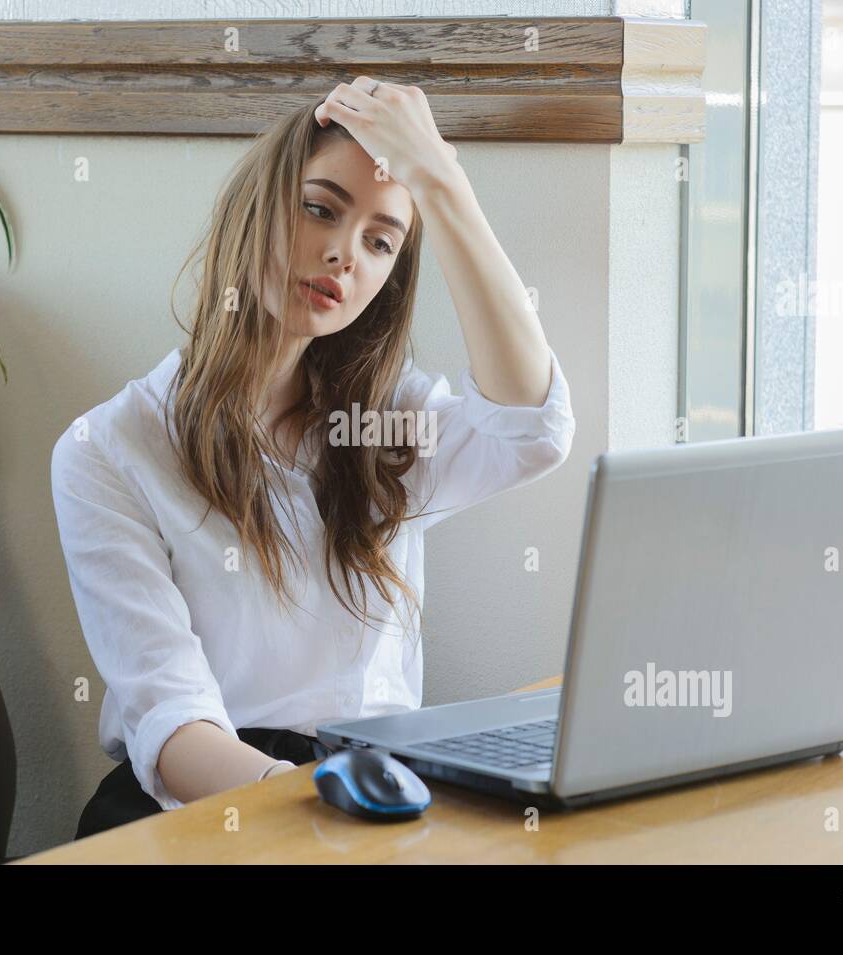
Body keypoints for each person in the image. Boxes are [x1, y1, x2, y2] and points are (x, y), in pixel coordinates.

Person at [53, 77, 576, 840]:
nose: (342, 254)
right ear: (258, 206)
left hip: (373, 788)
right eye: (320, 208)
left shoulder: (388, 421)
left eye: (380, 241)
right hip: (214, 807)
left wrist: (442, 181)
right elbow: (172, 727)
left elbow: (533, 430)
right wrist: (313, 799)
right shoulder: (110, 450)